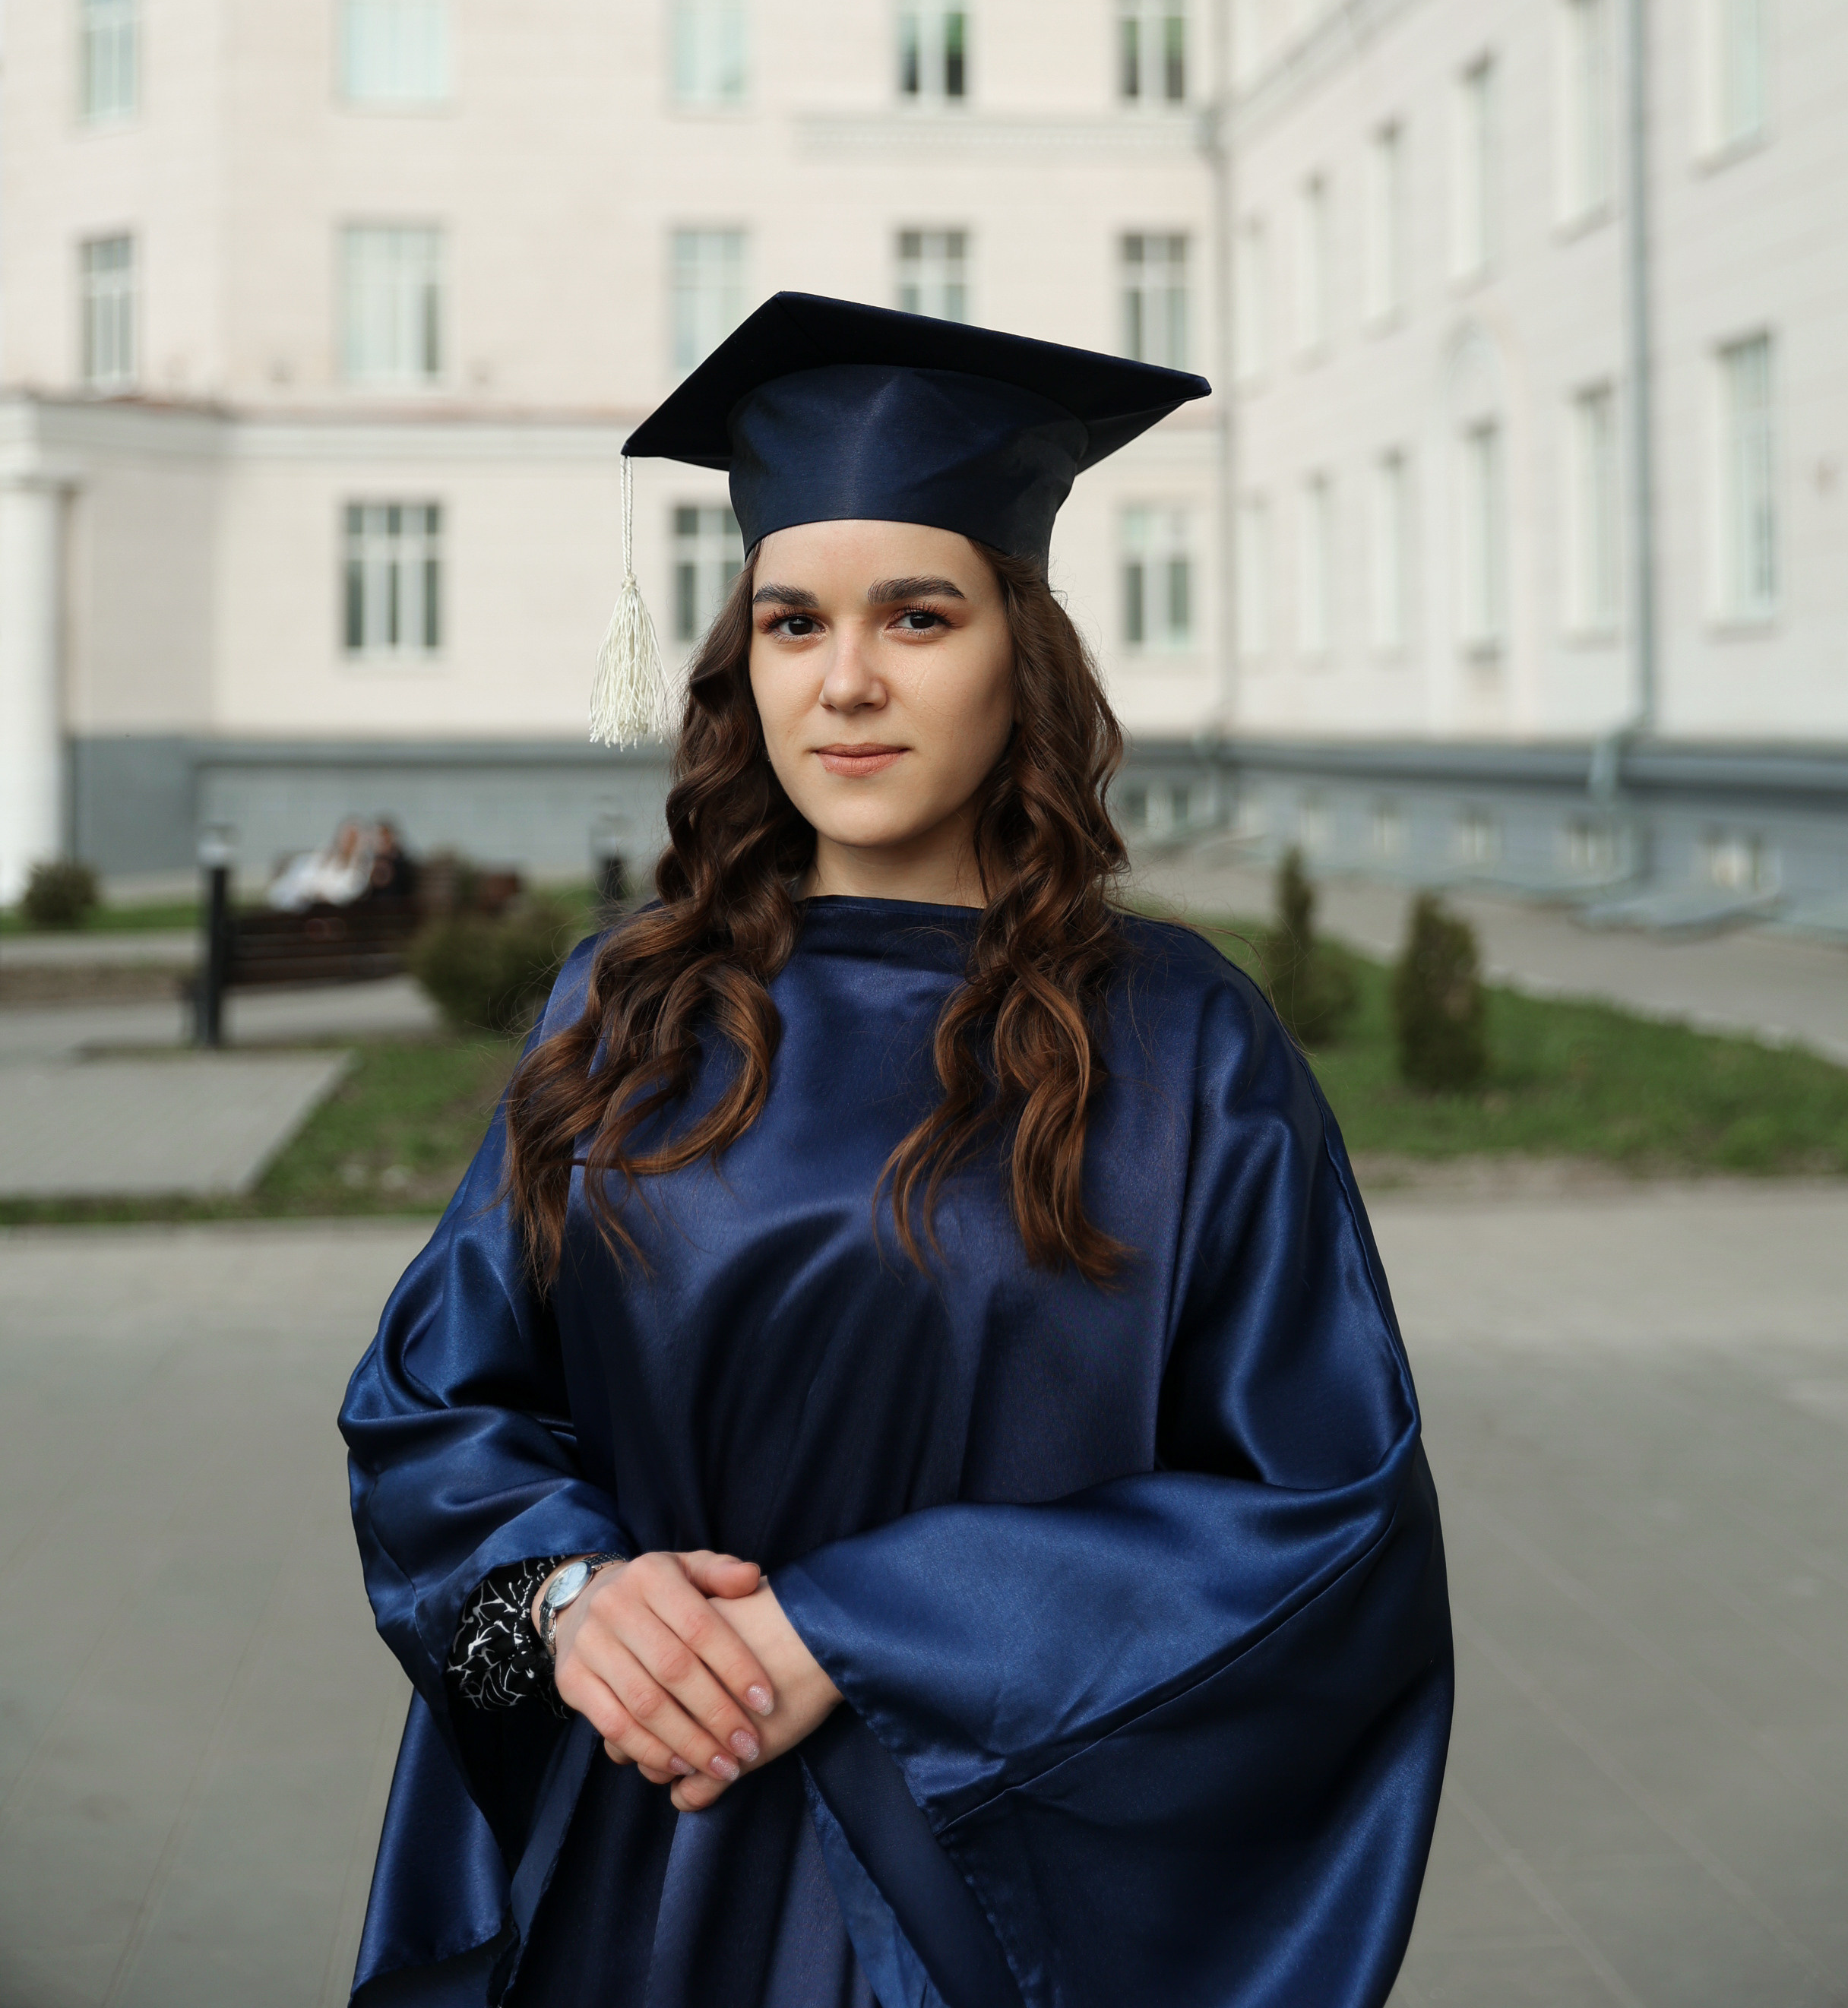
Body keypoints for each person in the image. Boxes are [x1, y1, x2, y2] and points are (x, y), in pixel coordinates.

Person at [340, 294, 1452, 2008]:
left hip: (978, 1895)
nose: (845, 679)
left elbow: (1323, 1512)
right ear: (745, 659)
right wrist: (567, 1604)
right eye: (793, 622)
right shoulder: (624, 1016)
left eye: (915, 616)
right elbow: (432, 1418)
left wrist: (851, 1635)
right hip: (645, 1860)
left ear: (1023, 648)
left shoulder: (1178, 1048)